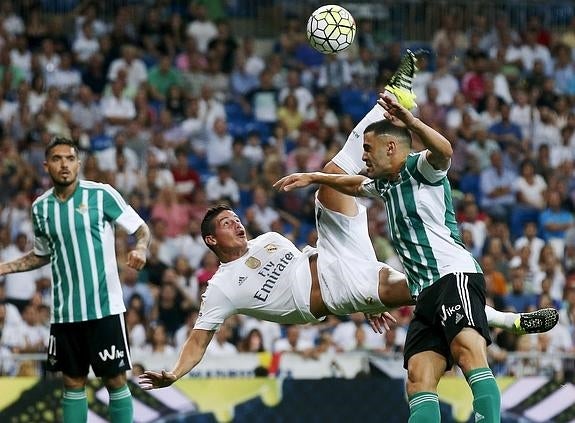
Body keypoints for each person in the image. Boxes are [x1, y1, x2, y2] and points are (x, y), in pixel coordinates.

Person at [274, 92, 513, 421]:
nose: (364, 157)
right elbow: (356, 185)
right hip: (425, 291)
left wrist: (413, 122)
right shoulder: (385, 184)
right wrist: (316, 177)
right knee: (417, 378)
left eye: (368, 149)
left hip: (452, 276)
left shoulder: (420, 169)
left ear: (391, 147)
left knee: (468, 353)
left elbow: (445, 152)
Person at [0, 137, 151, 423]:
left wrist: (141, 247)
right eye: (57, 159)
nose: (64, 164)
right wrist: (5, 267)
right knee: (72, 383)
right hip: (65, 313)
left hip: (103, 308)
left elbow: (141, 228)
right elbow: (41, 254)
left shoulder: (101, 194)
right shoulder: (40, 209)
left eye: (70, 158)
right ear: (46, 166)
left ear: (78, 163)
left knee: (115, 380)